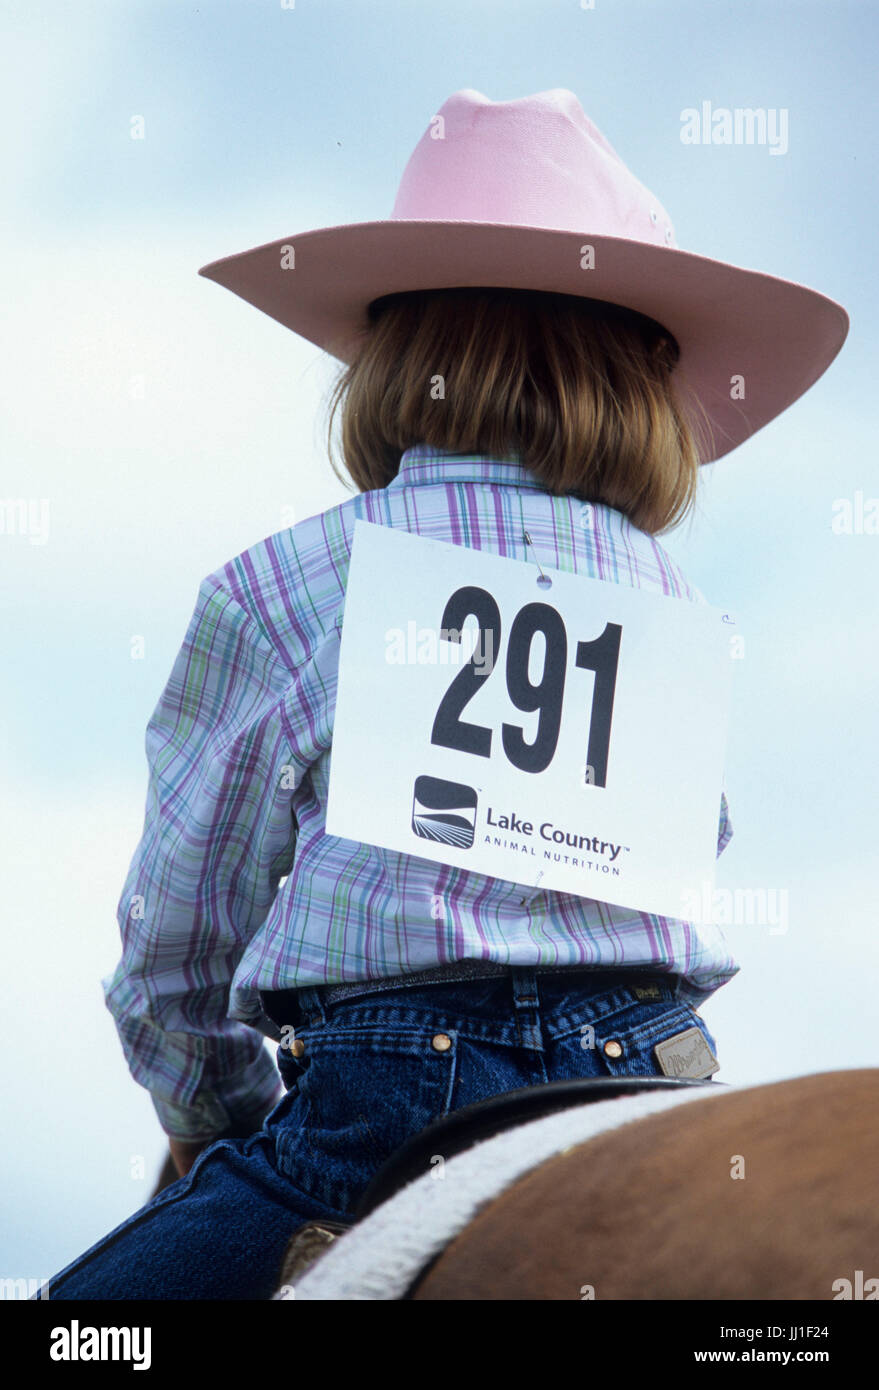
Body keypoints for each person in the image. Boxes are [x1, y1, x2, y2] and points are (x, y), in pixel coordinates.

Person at [45, 87, 848, 1299]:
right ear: (643, 383)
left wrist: (216, 1109)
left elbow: (175, 948)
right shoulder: (676, 604)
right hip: (653, 1072)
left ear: (391, 356)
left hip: (384, 1106)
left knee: (75, 1332)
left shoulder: (282, 584)